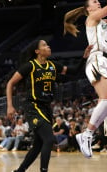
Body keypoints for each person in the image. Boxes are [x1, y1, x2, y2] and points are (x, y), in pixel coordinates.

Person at [7, 39, 92, 172]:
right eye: (44, 45)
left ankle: (19, 171)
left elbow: (74, 71)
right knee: (49, 139)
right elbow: (10, 83)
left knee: (38, 145)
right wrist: (10, 106)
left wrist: (84, 56)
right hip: (33, 106)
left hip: (46, 107)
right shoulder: (30, 66)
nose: (48, 46)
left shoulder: (53, 66)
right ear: (37, 51)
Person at [63, 0, 107, 158]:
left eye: (98, 1)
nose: (98, 3)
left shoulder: (104, 22)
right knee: (106, 100)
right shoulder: (91, 19)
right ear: (88, 9)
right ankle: (87, 134)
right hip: (97, 59)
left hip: (106, 61)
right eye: (95, 1)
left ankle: (87, 134)